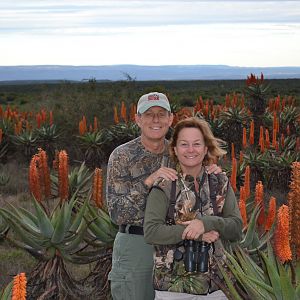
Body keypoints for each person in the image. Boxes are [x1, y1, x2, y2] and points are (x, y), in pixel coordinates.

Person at [106, 92, 221, 300]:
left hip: (177, 245)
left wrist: (211, 172)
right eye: (148, 114)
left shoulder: (180, 151)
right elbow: (117, 213)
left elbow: (199, 194)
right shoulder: (122, 156)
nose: (155, 120)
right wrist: (148, 182)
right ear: (137, 119)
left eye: (161, 114)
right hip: (137, 244)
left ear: (171, 119)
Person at [144, 117, 243, 300]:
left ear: (206, 149)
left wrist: (206, 223)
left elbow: (236, 228)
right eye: (184, 144)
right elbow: (151, 231)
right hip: (173, 289)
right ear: (174, 149)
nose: (191, 150)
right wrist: (194, 233)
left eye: (197, 144)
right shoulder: (164, 185)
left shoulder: (220, 181)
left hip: (218, 287)